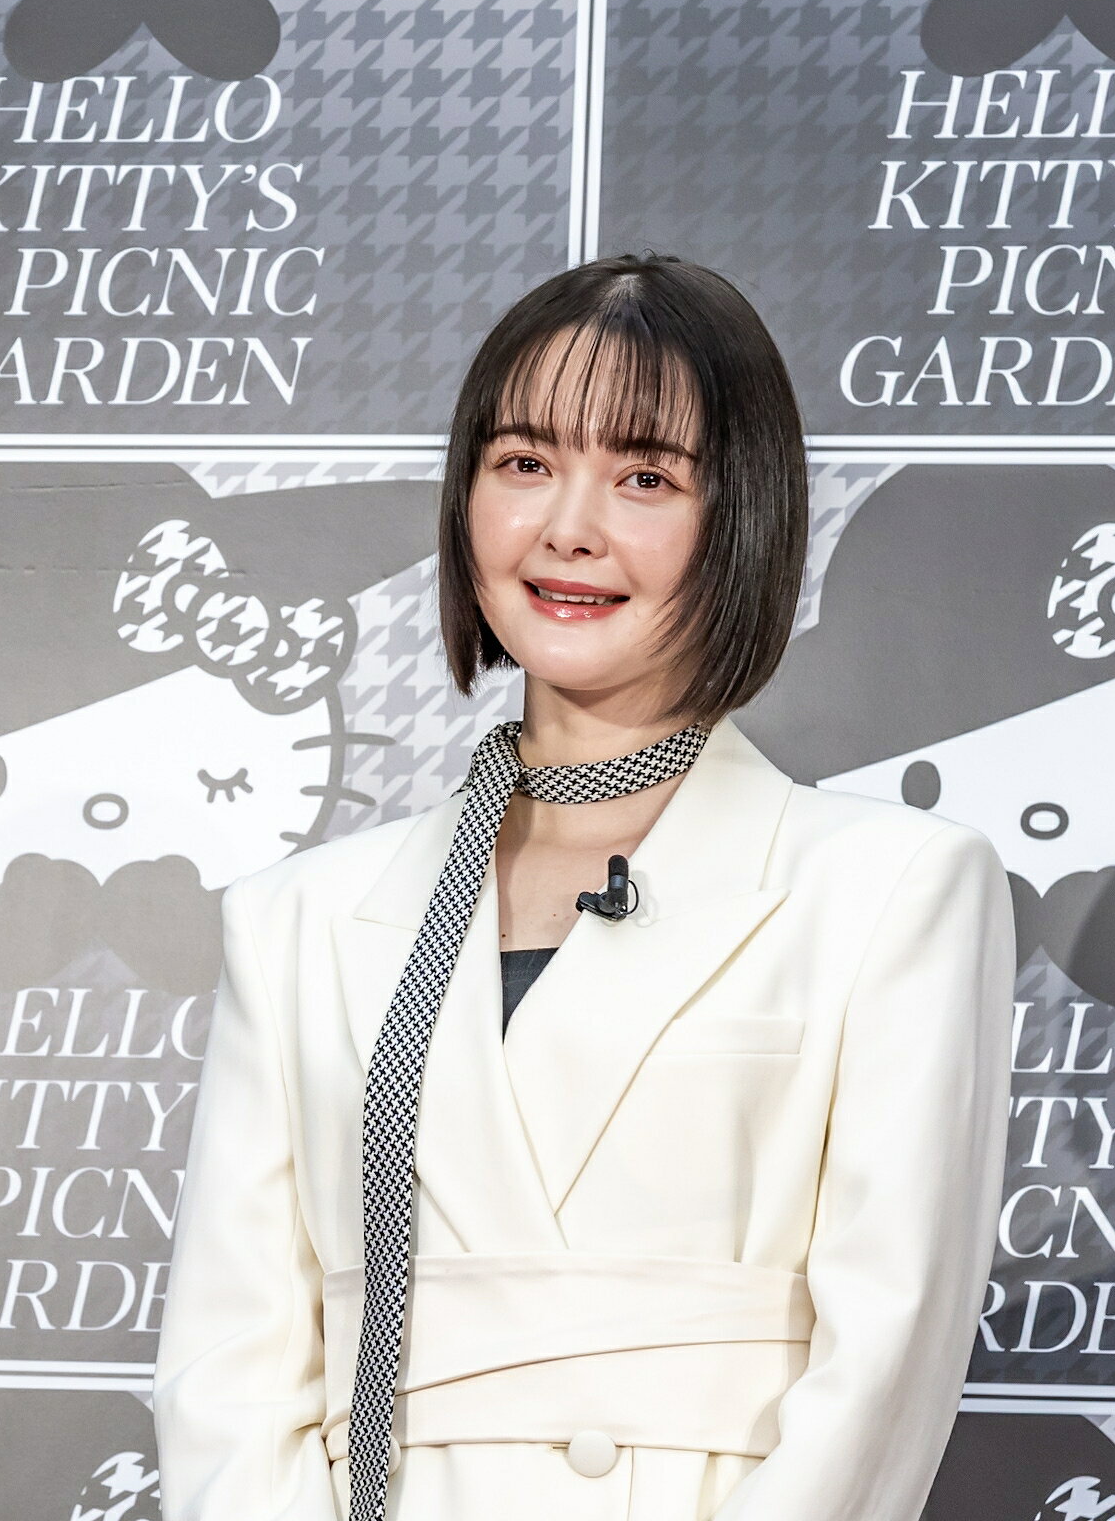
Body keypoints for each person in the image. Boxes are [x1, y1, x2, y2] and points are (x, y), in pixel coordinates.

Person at [151, 252, 1017, 1521]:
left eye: (644, 477)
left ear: (742, 518)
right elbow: (228, 1379)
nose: (568, 526)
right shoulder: (296, 919)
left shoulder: (893, 890)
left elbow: (883, 1360)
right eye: (523, 463)